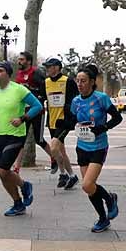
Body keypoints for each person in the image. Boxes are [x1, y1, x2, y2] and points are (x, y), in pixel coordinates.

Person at [0, 61, 42, 216]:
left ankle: (24, 186)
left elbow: (38, 106)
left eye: (0, 70)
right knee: (2, 173)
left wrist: (22, 118)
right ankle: (18, 202)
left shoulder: (19, 89)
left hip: (16, 135)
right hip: (1, 136)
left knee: (2, 169)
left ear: (7, 73)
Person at [69, 64, 122, 232]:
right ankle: (103, 218)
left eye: (83, 81)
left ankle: (109, 199)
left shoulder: (101, 98)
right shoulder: (75, 101)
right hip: (82, 147)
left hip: (98, 146)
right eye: (77, 81)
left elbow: (117, 118)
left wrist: (103, 127)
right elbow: (72, 121)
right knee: (89, 188)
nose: (80, 84)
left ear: (92, 82)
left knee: (86, 184)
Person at [12, 50, 54, 172]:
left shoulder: (36, 73)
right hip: (23, 111)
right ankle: (16, 167)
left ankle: (54, 158)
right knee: (21, 139)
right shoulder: (19, 74)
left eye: (22, 59)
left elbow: (45, 90)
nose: (19, 61)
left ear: (29, 61)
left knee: (39, 139)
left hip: (37, 111)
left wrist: (33, 93)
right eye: (19, 59)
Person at [43, 57, 80, 189]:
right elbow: (42, 98)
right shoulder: (46, 82)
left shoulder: (68, 81)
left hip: (64, 121)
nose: (47, 69)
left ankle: (63, 174)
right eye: (46, 66)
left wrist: (71, 118)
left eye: (49, 66)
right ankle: (71, 176)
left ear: (57, 67)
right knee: (60, 151)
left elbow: (75, 101)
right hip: (52, 121)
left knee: (53, 148)